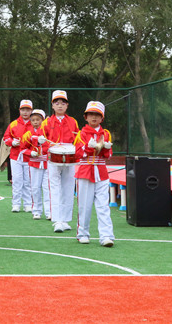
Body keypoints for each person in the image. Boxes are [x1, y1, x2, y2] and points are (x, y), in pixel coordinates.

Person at [74, 101, 115, 247]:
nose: (94, 117)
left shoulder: (106, 134)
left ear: (102, 118)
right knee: (84, 206)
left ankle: (106, 236)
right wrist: (89, 147)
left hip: (101, 172)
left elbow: (108, 155)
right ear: (85, 117)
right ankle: (83, 234)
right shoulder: (81, 133)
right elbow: (77, 153)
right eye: (91, 114)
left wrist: (106, 148)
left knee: (103, 205)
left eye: (97, 115)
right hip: (85, 171)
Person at [43, 90, 79, 233]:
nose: (60, 106)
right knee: (54, 188)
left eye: (63, 103)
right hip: (53, 158)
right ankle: (57, 220)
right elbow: (41, 139)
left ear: (67, 105)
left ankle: (65, 220)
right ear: (52, 105)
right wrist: (47, 146)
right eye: (57, 103)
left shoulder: (72, 121)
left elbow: (78, 139)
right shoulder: (47, 122)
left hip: (70, 157)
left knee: (69, 188)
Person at [3, 100, 34, 213]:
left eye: (28, 110)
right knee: (16, 181)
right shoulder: (13, 124)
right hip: (15, 156)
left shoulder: (35, 124)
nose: (25, 112)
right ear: (20, 110)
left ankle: (28, 204)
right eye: (23, 109)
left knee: (28, 182)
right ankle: (15, 204)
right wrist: (12, 142)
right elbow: (6, 137)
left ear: (31, 111)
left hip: (29, 157)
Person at [19, 109, 51, 220]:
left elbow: (53, 145)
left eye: (38, 119)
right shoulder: (28, 134)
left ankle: (49, 212)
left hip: (47, 164)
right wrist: (30, 153)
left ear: (43, 120)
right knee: (35, 188)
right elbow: (22, 149)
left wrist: (46, 146)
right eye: (33, 120)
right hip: (34, 164)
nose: (35, 122)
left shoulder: (48, 133)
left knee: (47, 188)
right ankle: (36, 211)